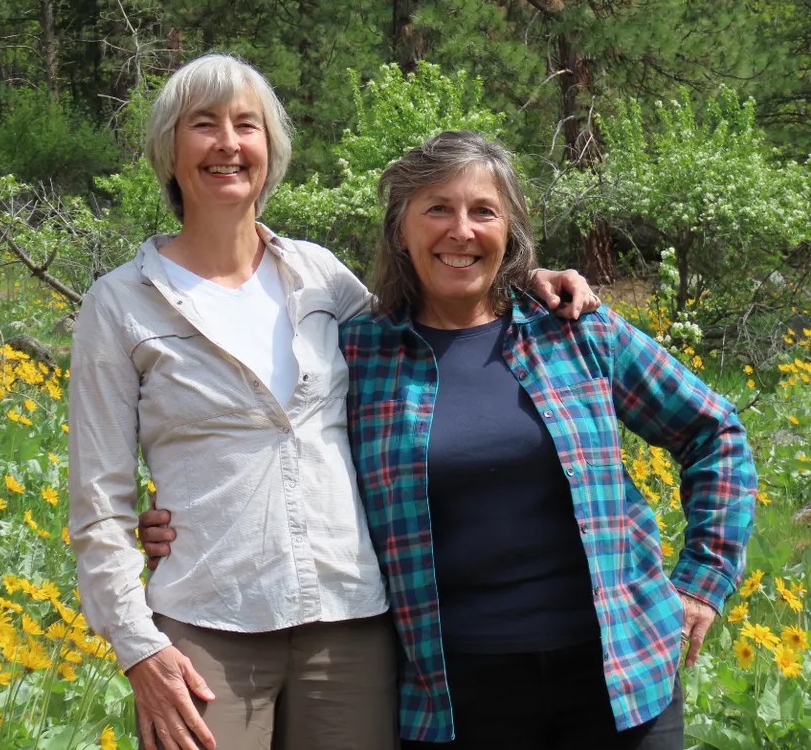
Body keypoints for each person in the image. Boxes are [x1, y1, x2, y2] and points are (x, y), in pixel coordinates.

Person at [139, 130, 757, 749]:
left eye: (483, 211)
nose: (460, 231)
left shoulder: (575, 331)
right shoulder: (356, 352)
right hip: (452, 694)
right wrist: (189, 514)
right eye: (437, 208)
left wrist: (702, 582)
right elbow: (272, 448)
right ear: (400, 231)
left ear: (510, 232)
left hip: (620, 678)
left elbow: (714, 432)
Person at [68, 54, 599, 750]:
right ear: (169, 148)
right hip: (207, 623)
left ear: (271, 151)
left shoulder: (316, 275)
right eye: (204, 125)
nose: (228, 143)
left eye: (246, 126)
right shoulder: (119, 304)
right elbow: (98, 499)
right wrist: (137, 645)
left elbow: (423, 320)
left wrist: (520, 275)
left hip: (350, 622)